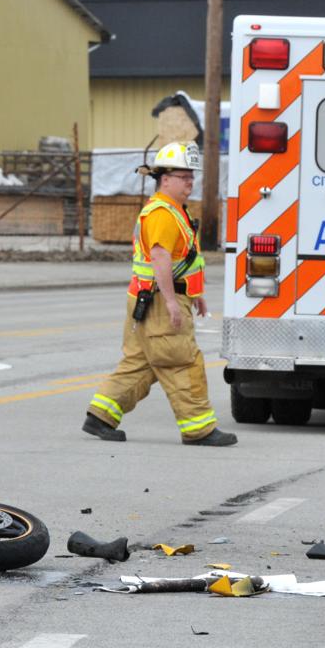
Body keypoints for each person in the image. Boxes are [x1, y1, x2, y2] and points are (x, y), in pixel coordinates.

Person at [82, 141, 237, 446]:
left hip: (146, 298)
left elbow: (184, 260)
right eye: (183, 177)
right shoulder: (163, 213)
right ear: (165, 179)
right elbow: (160, 258)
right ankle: (199, 429)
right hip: (158, 301)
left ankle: (100, 416)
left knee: (141, 363)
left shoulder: (173, 211)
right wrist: (170, 302)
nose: (190, 182)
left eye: (191, 176)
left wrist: (196, 294)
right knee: (181, 361)